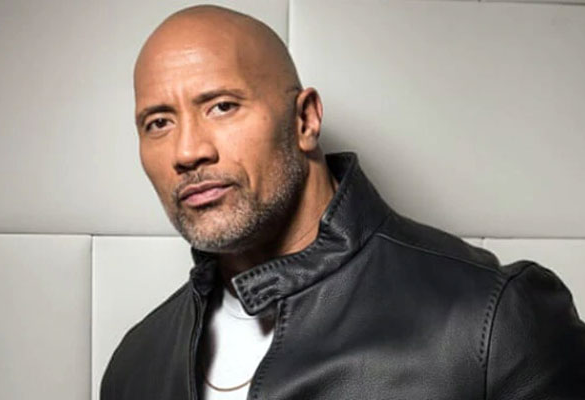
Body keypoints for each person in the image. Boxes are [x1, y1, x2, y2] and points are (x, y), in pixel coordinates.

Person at [101, 5, 585, 399]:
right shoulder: (137, 363)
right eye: (158, 123)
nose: (187, 151)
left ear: (306, 120)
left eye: (222, 106)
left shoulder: (494, 320)